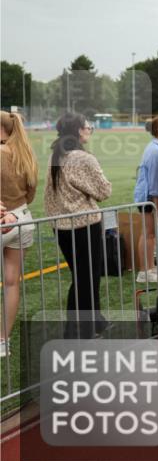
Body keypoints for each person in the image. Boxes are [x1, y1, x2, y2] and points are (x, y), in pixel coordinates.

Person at [44, 112, 112, 339]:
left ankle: (93, 322)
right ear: (78, 130)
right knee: (87, 278)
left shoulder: (57, 154)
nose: (89, 130)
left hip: (61, 226)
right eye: (87, 126)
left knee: (82, 277)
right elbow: (104, 191)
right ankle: (79, 330)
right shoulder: (82, 158)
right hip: (83, 225)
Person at [1, 111, 38, 356]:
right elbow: (31, 193)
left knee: (12, 282)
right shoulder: (25, 153)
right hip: (23, 217)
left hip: (5, 219)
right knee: (12, 282)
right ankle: (3, 340)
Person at [133, 116, 158, 283]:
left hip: (147, 196)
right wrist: (157, 204)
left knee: (151, 234)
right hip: (148, 197)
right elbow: (154, 182)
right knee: (149, 234)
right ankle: (144, 271)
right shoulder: (156, 151)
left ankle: (151, 268)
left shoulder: (156, 147)